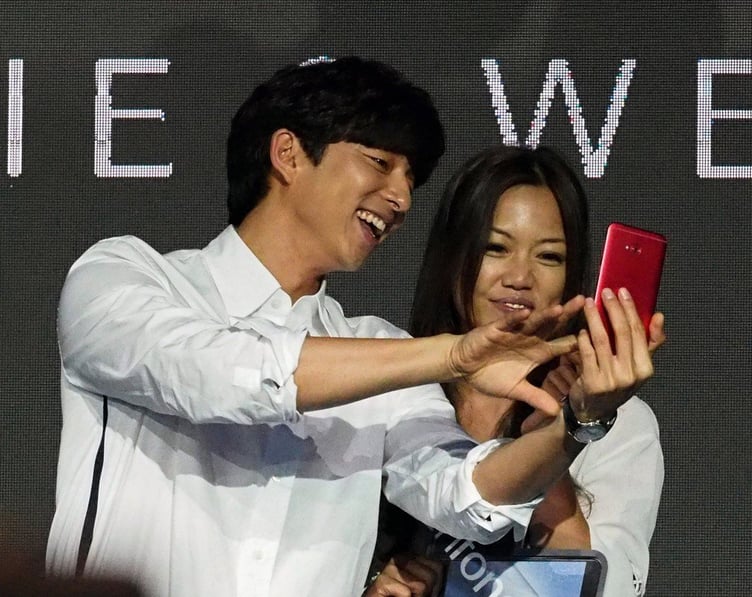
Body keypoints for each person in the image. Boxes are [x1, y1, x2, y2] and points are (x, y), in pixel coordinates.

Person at [45, 57, 654, 597]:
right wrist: (448, 356)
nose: (401, 197)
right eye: (380, 163)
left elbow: (467, 497)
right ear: (288, 155)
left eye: (411, 180)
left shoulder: (381, 350)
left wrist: (578, 420)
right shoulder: (124, 277)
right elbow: (218, 374)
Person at [365, 146, 665, 597]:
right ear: (452, 257)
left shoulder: (615, 425)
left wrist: (555, 440)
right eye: (496, 248)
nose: (520, 277)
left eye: (548, 257)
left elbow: (610, 588)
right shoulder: (388, 389)